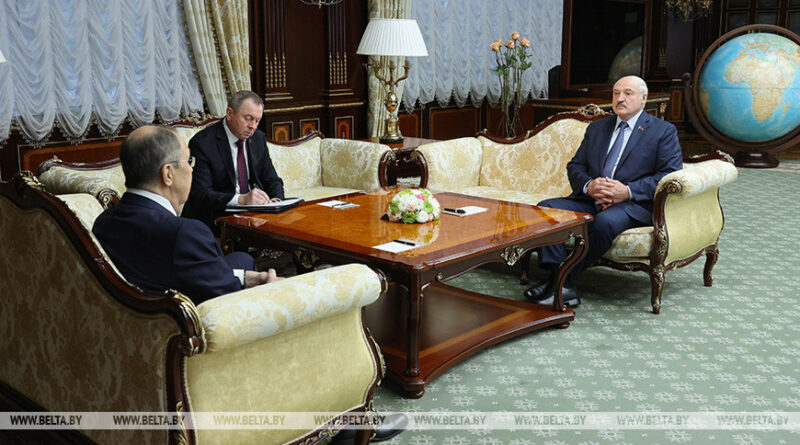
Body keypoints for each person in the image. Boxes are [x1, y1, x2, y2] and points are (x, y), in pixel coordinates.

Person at [524, 75, 683, 307]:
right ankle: (560, 281)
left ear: (644, 98)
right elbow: (575, 166)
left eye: (628, 93)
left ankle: (560, 281)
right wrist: (590, 186)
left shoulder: (663, 131)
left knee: (604, 222)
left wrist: (627, 191)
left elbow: (669, 175)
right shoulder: (598, 127)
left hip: (632, 205)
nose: (620, 98)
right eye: (616, 93)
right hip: (591, 199)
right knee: (546, 209)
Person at [93, 125, 281, 304]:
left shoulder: (103, 222)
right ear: (168, 174)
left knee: (242, 259)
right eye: (189, 161)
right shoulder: (186, 233)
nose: (192, 169)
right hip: (187, 319)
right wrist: (270, 291)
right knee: (247, 263)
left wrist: (247, 277)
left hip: (145, 308)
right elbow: (231, 301)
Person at [181, 90, 285, 231]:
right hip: (215, 219)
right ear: (230, 114)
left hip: (254, 216)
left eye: (257, 121)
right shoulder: (203, 143)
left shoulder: (258, 138)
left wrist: (275, 203)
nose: (253, 126)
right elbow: (201, 194)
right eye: (248, 118)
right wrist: (241, 200)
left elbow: (272, 180)